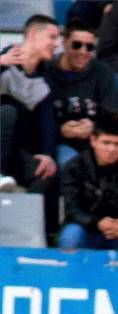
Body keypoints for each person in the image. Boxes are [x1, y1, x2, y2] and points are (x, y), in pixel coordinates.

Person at [58, 112, 118, 252]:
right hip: (88, 229)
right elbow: (72, 209)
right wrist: (98, 223)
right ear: (93, 140)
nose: (112, 149)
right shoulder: (74, 167)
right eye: (106, 143)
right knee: (70, 236)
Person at [0, 14, 61, 233]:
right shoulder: (3, 61)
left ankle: (44, 236)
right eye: (52, 37)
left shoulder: (45, 81)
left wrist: (47, 153)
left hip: (16, 153)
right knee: (6, 111)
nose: (56, 44)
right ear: (33, 35)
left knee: (46, 173)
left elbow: (48, 124)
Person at [45, 18, 118, 167]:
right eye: (77, 45)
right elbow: (36, 118)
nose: (83, 52)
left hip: (94, 141)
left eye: (89, 47)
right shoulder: (47, 69)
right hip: (57, 142)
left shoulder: (103, 73)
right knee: (69, 163)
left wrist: (94, 126)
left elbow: (112, 116)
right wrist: (60, 130)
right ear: (64, 42)